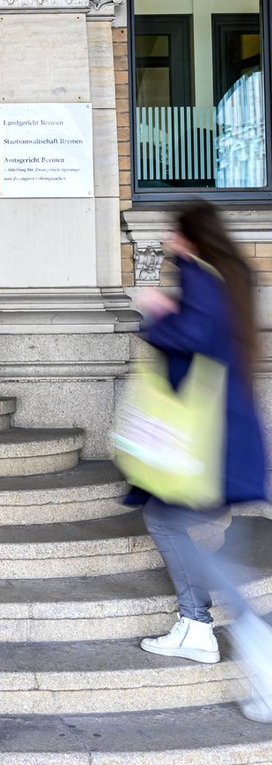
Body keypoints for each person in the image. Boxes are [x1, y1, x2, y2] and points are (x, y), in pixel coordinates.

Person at [133, 200, 272, 720]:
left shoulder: (198, 274)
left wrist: (158, 313)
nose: (168, 240)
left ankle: (246, 632)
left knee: (173, 523)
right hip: (222, 432)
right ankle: (196, 624)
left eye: (173, 232)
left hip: (203, 438)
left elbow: (190, 337)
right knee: (172, 520)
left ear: (189, 237)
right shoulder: (232, 275)